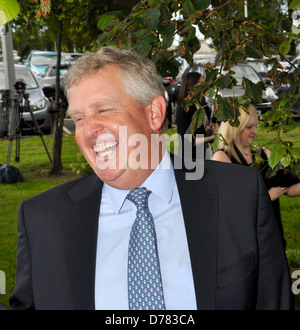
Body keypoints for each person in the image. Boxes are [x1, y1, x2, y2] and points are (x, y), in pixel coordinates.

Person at [7, 47, 293, 310]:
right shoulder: (42, 220)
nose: (88, 130)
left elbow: (273, 299)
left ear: (154, 112)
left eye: (103, 110)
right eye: (79, 118)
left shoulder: (238, 194)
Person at [212, 104, 300, 243]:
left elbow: (288, 186)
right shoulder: (222, 158)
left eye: (256, 126)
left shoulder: (264, 153)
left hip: (272, 235)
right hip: (244, 240)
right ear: (235, 127)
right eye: (249, 127)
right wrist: (267, 197)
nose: (254, 131)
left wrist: (286, 188)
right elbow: (228, 206)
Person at [175, 72, 218, 160]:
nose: (204, 86)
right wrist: (212, 137)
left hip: (204, 152)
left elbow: (206, 124)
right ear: (192, 86)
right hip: (190, 157)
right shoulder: (184, 109)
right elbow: (189, 141)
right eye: (201, 83)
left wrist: (209, 128)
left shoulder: (202, 102)